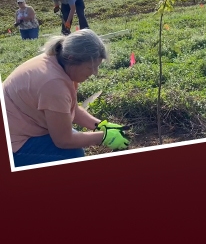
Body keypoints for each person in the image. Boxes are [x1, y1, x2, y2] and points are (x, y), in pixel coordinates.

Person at [5, 30, 129, 166]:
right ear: (72, 58)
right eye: (90, 67)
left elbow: (71, 108)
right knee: (72, 154)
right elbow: (63, 140)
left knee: (75, 140)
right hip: (13, 145)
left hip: (22, 127)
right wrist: (103, 137)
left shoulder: (58, 62)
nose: (95, 73)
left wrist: (102, 126)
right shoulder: (53, 84)